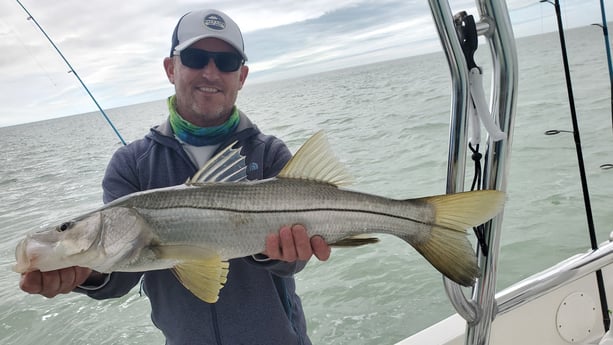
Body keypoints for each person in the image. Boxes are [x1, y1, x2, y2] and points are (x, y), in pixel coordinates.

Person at [19, 9, 331, 345]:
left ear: (241, 76)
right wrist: (88, 273)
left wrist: (283, 253)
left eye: (226, 62)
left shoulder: (269, 153)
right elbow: (123, 274)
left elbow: (293, 263)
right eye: (196, 58)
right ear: (171, 68)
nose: (210, 72)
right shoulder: (132, 164)